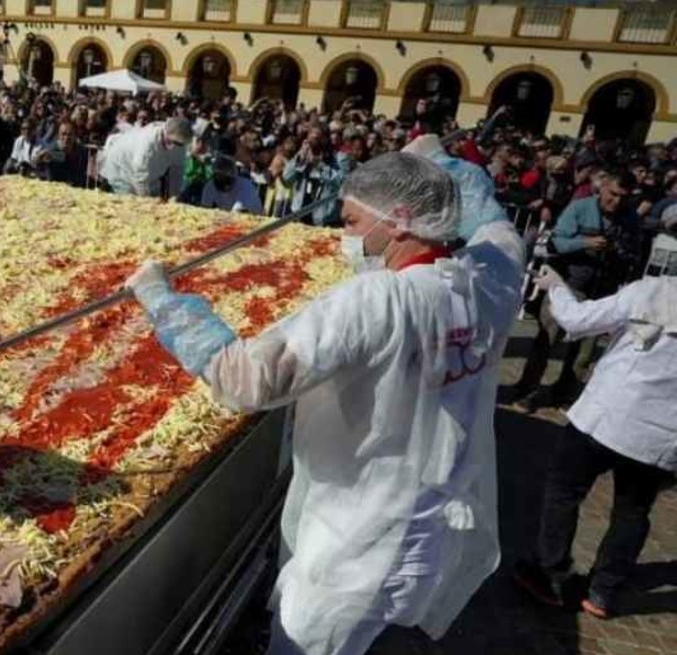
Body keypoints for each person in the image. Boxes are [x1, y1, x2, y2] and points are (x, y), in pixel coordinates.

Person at [124, 153, 524, 655]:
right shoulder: (487, 283)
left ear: (400, 219)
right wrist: (444, 163)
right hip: (426, 528)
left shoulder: (379, 300)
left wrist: (161, 300)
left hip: (357, 543)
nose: (345, 235)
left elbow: (249, 380)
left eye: (353, 221)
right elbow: (501, 232)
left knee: (310, 642)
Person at [515, 271, 677, 620]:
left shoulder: (652, 290)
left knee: (563, 491)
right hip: (661, 436)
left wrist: (557, 288)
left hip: (606, 415)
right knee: (632, 512)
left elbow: (577, 319)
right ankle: (602, 591)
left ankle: (552, 574)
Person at [510, 171, 645, 411]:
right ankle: (527, 390)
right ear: (602, 187)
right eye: (613, 194)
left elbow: (635, 254)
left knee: (583, 353)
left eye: (624, 197)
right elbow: (555, 242)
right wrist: (585, 243)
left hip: (602, 292)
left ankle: (564, 395)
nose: (617, 202)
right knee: (547, 341)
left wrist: (620, 253)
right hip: (567, 284)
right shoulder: (579, 208)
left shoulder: (632, 219)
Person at [402, 133, 509, 242]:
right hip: (500, 226)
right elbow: (490, 190)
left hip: (472, 236)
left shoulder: (430, 179)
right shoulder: (471, 168)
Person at [98, 117, 192, 198]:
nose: (177, 146)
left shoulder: (180, 144)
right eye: (175, 142)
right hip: (121, 169)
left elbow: (177, 170)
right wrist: (147, 203)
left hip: (150, 174)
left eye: (180, 144)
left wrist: (173, 196)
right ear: (166, 134)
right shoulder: (147, 146)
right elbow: (141, 179)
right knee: (129, 202)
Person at [199, 154, 263, 214]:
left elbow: (238, 214)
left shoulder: (245, 187)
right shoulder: (210, 186)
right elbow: (204, 210)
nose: (223, 181)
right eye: (220, 176)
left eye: (226, 178)